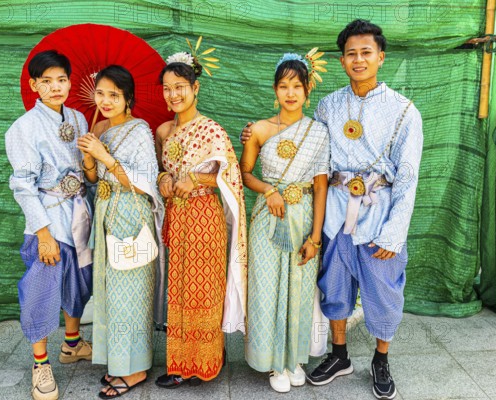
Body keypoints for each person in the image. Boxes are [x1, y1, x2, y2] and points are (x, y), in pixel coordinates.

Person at [241, 19, 423, 400]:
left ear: (380, 57)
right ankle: (339, 355)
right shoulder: (328, 104)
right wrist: (253, 135)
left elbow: (407, 176)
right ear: (342, 60)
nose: (358, 60)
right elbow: (302, 139)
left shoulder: (405, 111)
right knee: (334, 287)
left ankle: (381, 359)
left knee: (383, 289)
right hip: (336, 211)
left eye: (366, 52)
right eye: (351, 53)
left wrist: (395, 232)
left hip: (379, 212)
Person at [154, 43, 248, 388]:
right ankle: (178, 363)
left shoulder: (212, 130)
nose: (173, 94)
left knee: (203, 290)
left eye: (180, 87)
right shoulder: (164, 132)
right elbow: (160, 170)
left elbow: (231, 176)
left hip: (204, 216)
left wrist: (193, 178)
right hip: (175, 218)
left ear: (195, 88)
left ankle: (207, 363)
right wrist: (164, 179)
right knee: (178, 289)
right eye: (167, 88)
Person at [5, 50, 93, 400]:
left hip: (78, 214)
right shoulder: (23, 128)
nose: (55, 87)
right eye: (47, 81)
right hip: (48, 218)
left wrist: (89, 159)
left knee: (79, 281)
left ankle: (71, 345)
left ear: (70, 83)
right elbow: (23, 185)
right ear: (34, 85)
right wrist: (43, 234)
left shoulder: (79, 119)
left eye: (61, 80)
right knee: (42, 290)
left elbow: (88, 174)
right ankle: (40, 364)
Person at [240, 50, 329, 393]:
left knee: (299, 288)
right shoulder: (260, 130)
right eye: (282, 86)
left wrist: (316, 237)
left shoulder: (319, 133)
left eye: (296, 85)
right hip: (268, 218)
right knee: (267, 287)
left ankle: (294, 358)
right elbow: (245, 174)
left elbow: (320, 186)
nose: (289, 93)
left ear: (308, 89)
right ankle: (272, 362)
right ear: (274, 90)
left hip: (304, 216)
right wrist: (269, 191)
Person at [77, 65, 165, 399]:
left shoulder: (139, 130)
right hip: (106, 215)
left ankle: (137, 367)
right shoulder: (98, 129)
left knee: (132, 294)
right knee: (111, 294)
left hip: (131, 214)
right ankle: (118, 361)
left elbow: (142, 183)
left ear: (128, 98)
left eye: (114, 94)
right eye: (101, 93)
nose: (106, 100)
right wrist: (88, 156)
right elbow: (93, 180)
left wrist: (104, 156)